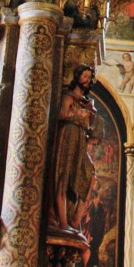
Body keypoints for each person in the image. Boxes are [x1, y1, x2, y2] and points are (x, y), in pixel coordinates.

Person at [52, 63, 97, 231]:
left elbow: (91, 125)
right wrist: (78, 114)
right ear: (77, 77)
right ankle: (63, 223)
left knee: (89, 174)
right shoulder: (69, 96)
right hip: (68, 137)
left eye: (89, 77)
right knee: (63, 176)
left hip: (80, 139)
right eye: (84, 76)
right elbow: (62, 114)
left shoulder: (86, 102)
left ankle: (75, 220)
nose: (87, 80)